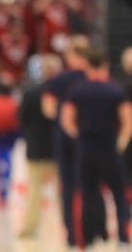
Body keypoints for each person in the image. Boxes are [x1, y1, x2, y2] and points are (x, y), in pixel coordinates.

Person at [60, 47, 132, 250]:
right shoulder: (115, 90)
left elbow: (67, 119)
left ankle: (89, 240)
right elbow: (128, 119)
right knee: (119, 194)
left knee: (87, 193)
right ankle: (123, 239)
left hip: (86, 146)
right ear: (106, 65)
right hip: (109, 145)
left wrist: (79, 136)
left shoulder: (77, 90)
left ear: (87, 66)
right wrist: (122, 142)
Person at [41, 34, 104, 250]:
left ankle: (73, 235)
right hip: (96, 138)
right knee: (93, 185)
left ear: (72, 55)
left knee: (69, 188)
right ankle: (96, 232)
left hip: (67, 140)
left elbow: (48, 110)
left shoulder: (59, 80)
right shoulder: (96, 77)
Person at [17, 52, 63, 239]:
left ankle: (30, 228)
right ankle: (68, 226)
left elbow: (22, 119)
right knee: (63, 191)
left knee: (34, 191)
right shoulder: (64, 92)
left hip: (36, 147)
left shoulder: (30, 93)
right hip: (59, 148)